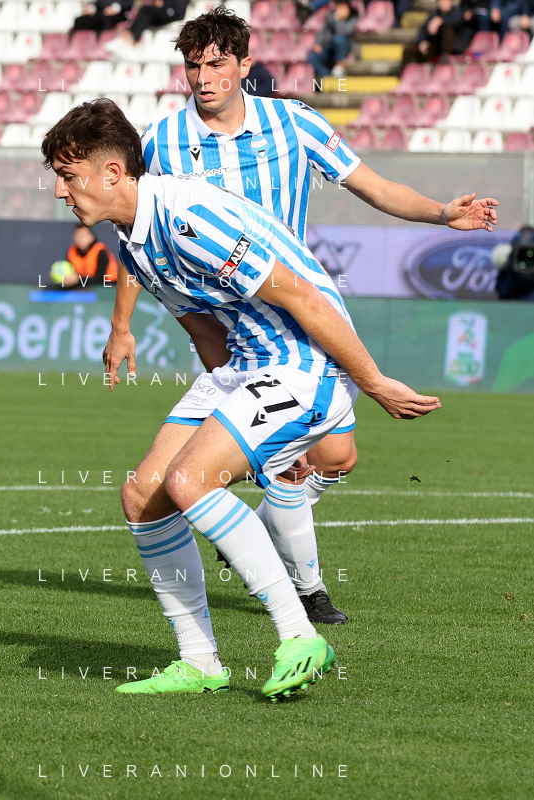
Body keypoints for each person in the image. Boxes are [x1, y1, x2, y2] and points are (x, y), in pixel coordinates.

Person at [44, 98, 442, 697]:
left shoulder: (189, 219)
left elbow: (304, 297)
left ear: (113, 172)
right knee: (143, 497)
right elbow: (205, 332)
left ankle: (300, 636)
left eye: (68, 176)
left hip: (305, 362)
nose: (59, 191)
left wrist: (374, 381)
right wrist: (244, 424)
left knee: (191, 481)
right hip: (246, 365)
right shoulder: (133, 244)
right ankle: (200, 662)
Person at [140, 7, 497, 625]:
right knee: (277, 465)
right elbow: (137, 227)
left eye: (217, 64)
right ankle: (304, 591)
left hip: (299, 311)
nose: (203, 78)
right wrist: (124, 322)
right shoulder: (161, 141)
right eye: (193, 66)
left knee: (336, 458)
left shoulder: (294, 122)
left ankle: (259, 531)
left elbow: (375, 187)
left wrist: (442, 213)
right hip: (234, 329)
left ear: (245, 65)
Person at [308, 0, 358, 80]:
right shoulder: (331, 15)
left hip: (345, 48)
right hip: (330, 46)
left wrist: (338, 19)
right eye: (339, 6)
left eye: (343, 6)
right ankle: (327, 76)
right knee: (312, 58)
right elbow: (324, 31)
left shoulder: (354, 15)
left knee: (338, 39)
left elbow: (343, 32)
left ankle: (340, 65)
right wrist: (318, 43)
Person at [56, 223, 116, 289]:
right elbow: (70, 273)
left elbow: (100, 279)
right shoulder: (71, 251)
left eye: (83, 236)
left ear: (92, 237)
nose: (80, 239)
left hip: (108, 287)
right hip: (82, 287)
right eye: (77, 236)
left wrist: (77, 281)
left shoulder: (100, 251)